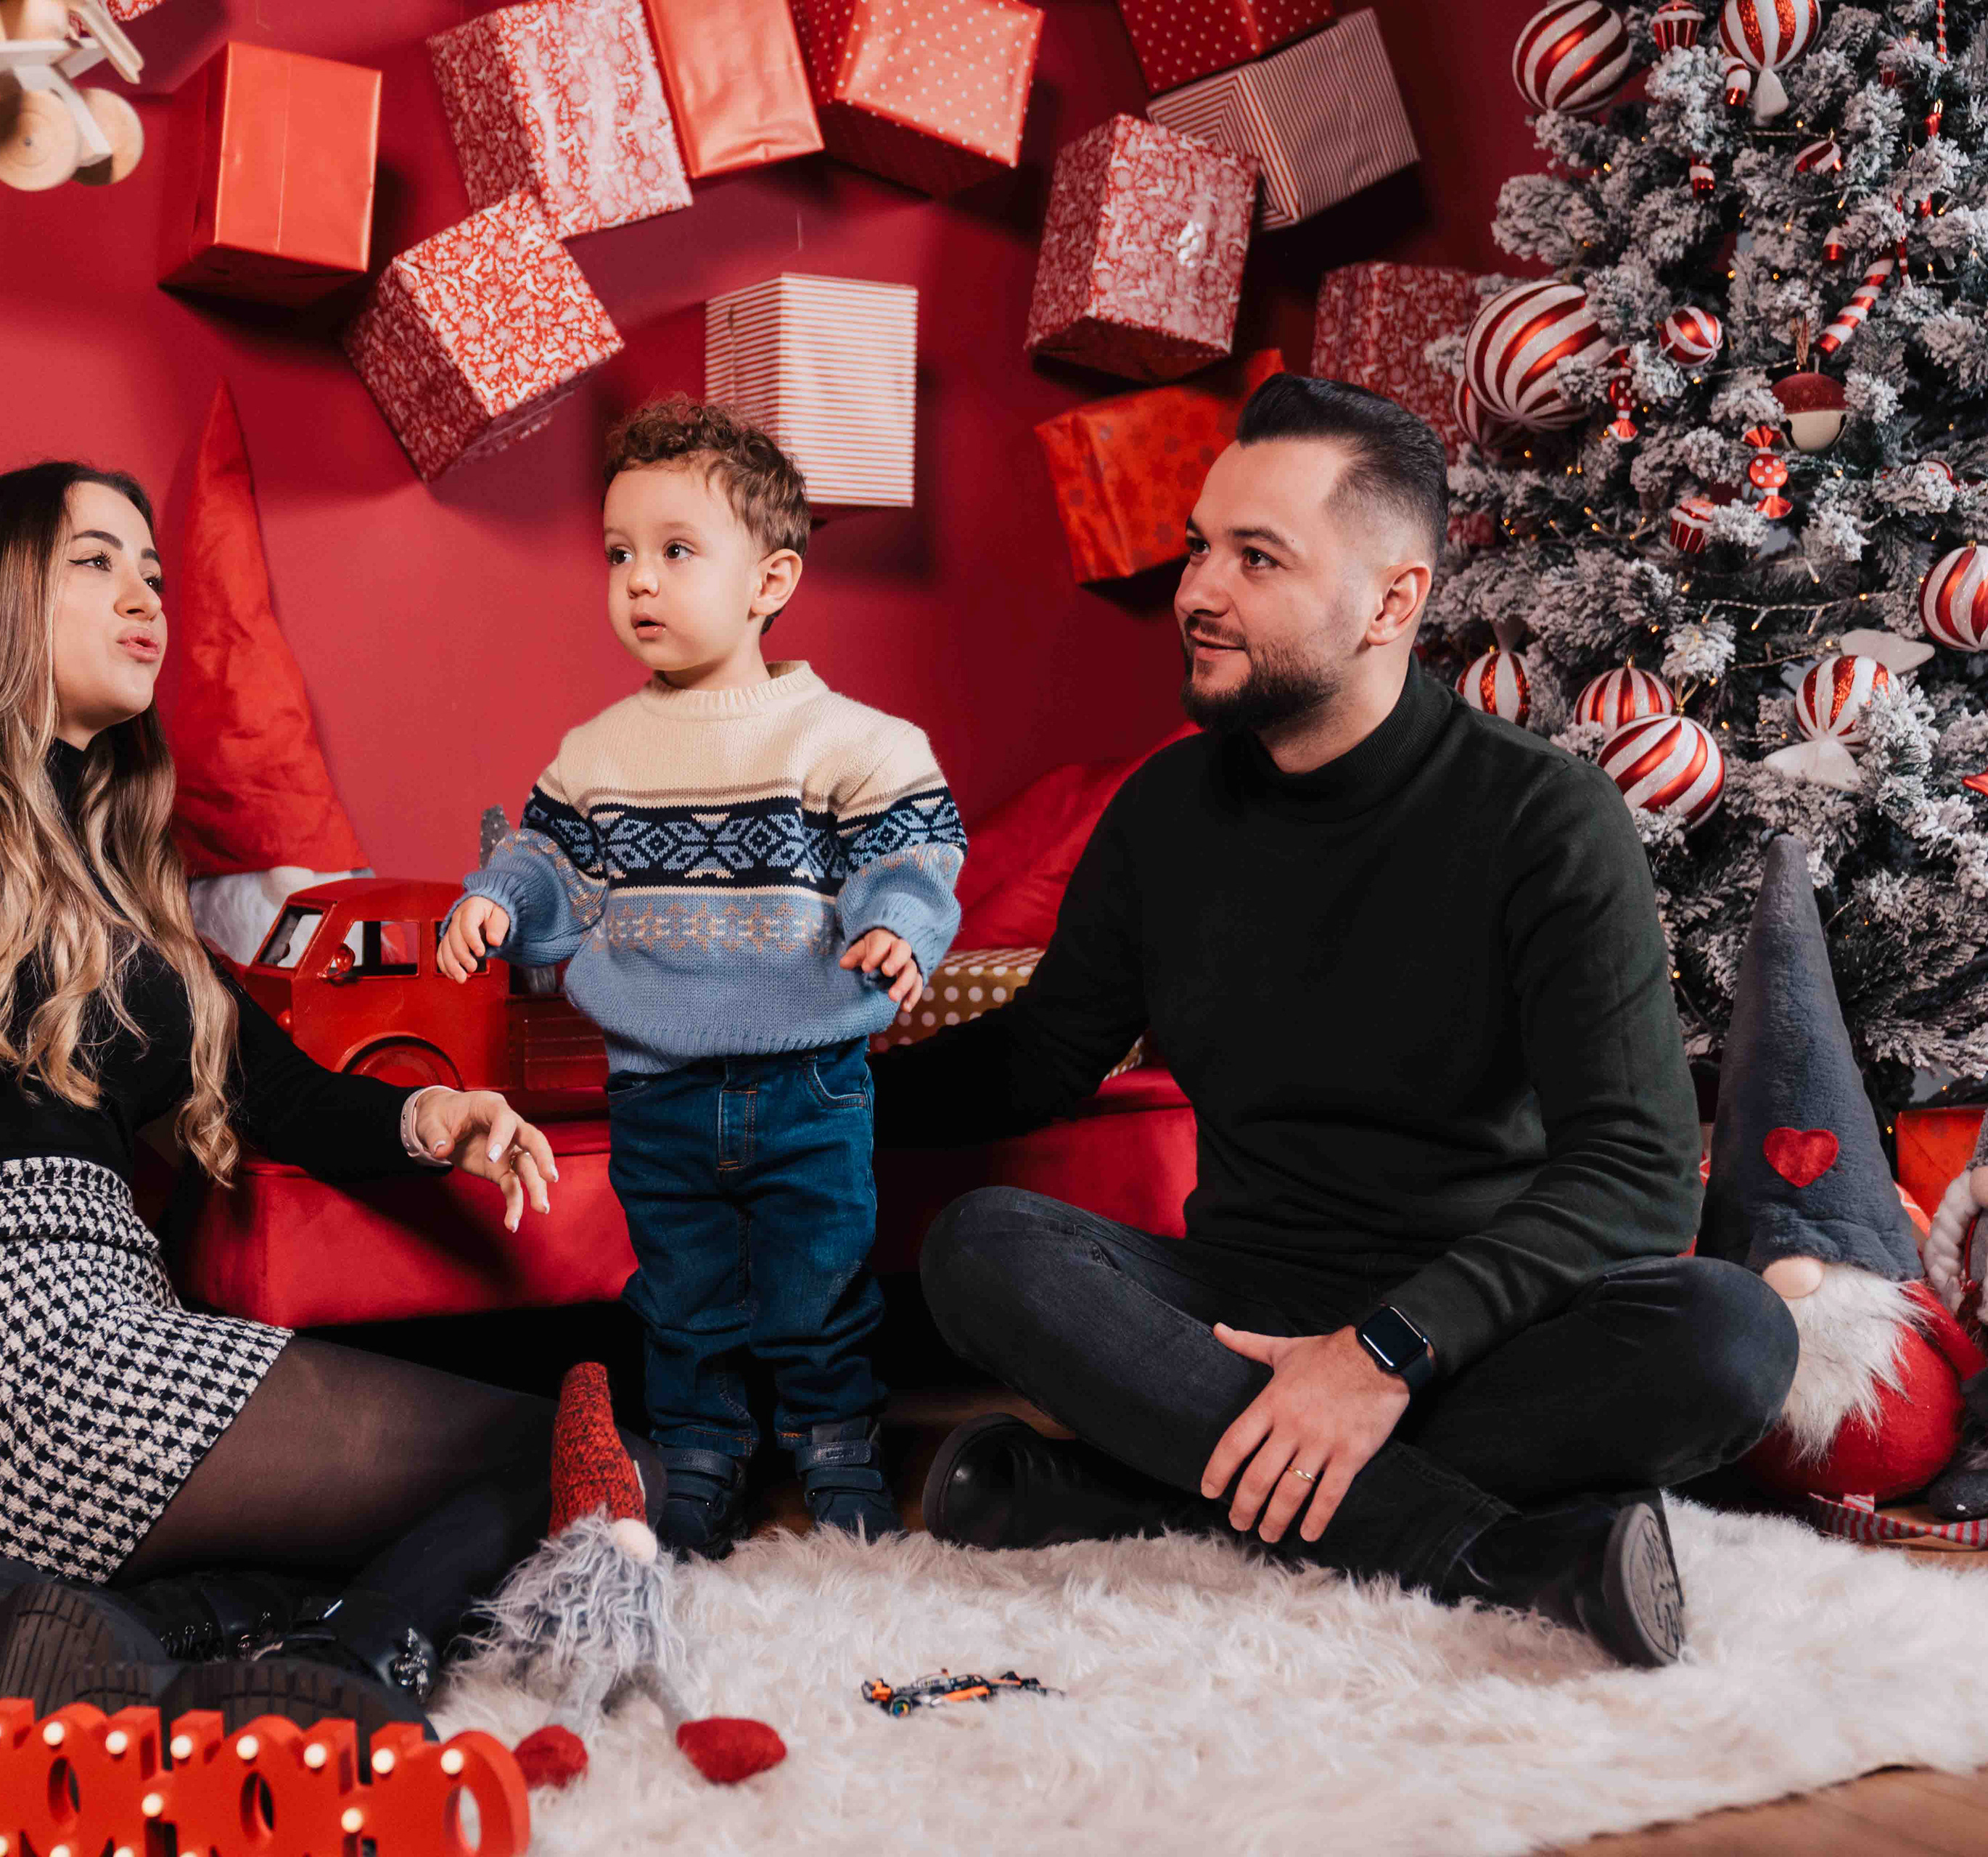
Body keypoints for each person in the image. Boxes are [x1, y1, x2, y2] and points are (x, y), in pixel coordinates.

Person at [0, 152, 633, 1733]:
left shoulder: (124, 898)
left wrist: (436, 1114)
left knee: (534, 1441)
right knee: (552, 1450)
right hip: (30, 1357)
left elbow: (277, 1093)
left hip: (28, 1412)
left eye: (154, 570)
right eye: (95, 561)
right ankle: (343, 1672)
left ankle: (88, 1633)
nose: (145, 594)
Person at [881, 374, 1796, 1668]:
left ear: (1391, 603)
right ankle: (1494, 1555)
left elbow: (1639, 1174)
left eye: (1257, 558)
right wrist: (812, 1096)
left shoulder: (1542, 819)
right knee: (986, 1248)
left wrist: (1381, 1354)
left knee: (1732, 1338)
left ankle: (1143, 1488)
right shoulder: (1163, 816)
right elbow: (1039, 1059)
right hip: (1236, 1306)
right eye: (1200, 546)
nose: (1198, 591)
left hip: (1474, 1324)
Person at [438, 398, 966, 1555]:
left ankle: (837, 1444)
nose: (639, 579)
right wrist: (496, 899)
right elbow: (548, 860)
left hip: (810, 1081)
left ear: (771, 581)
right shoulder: (598, 754)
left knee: (820, 1280)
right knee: (681, 1290)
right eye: (619, 553)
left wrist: (896, 924)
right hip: (658, 1084)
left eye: (677, 551)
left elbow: (914, 847)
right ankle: (700, 1450)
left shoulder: (847, 740)